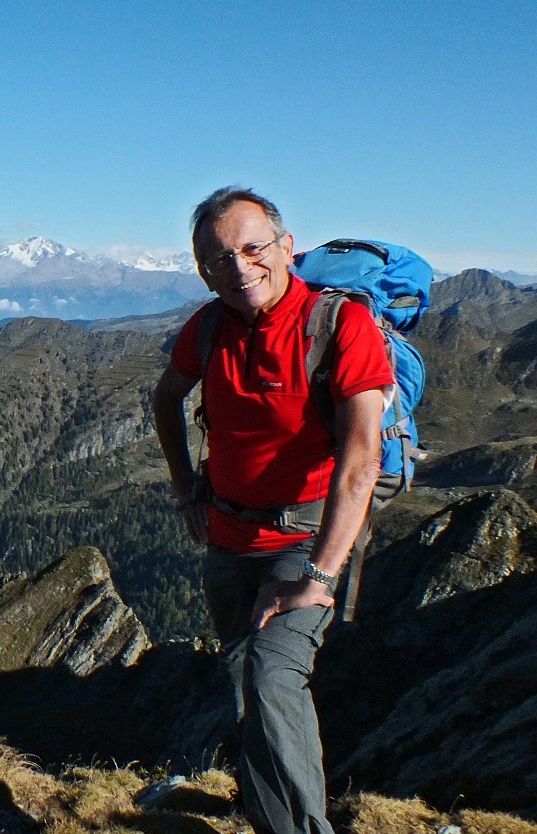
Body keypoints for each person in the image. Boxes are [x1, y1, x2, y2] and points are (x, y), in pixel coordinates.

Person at [152, 187, 392, 834]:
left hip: (304, 543)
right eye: (219, 257)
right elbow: (165, 397)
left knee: (271, 679)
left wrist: (318, 577)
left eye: (253, 248)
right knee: (245, 688)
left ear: (287, 248)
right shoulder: (206, 329)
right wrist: (185, 487)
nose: (238, 266)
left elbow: (362, 459)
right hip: (229, 540)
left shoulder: (339, 326)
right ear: (203, 269)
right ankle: (269, 820)